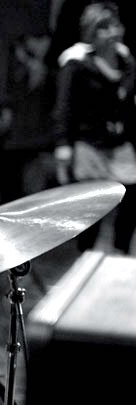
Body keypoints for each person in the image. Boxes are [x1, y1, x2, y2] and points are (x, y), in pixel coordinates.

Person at [52, 1, 136, 254]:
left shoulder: (126, 60)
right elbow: (63, 107)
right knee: (93, 209)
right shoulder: (77, 63)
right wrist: (62, 145)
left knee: (130, 201)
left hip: (119, 143)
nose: (112, 32)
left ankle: (120, 253)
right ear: (91, 32)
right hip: (89, 144)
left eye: (115, 25)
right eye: (103, 27)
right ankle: (85, 255)